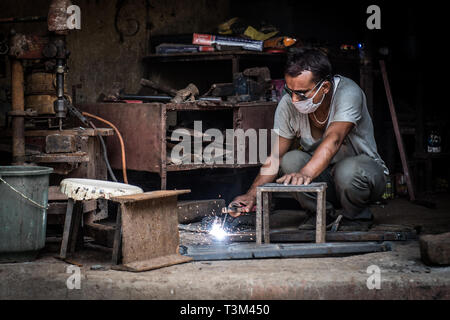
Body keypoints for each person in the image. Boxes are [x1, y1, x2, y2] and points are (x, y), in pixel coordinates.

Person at [229, 48, 389, 231]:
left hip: (363, 180)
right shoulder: (288, 104)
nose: (295, 99)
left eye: (302, 93)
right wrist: (252, 194)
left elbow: (334, 139)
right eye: (291, 91)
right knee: (290, 160)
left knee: (347, 169)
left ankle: (357, 216)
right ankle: (320, 214)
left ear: (325, 87)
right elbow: (276, 156)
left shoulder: (348, 93)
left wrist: (305, 174)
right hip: (325, 183)